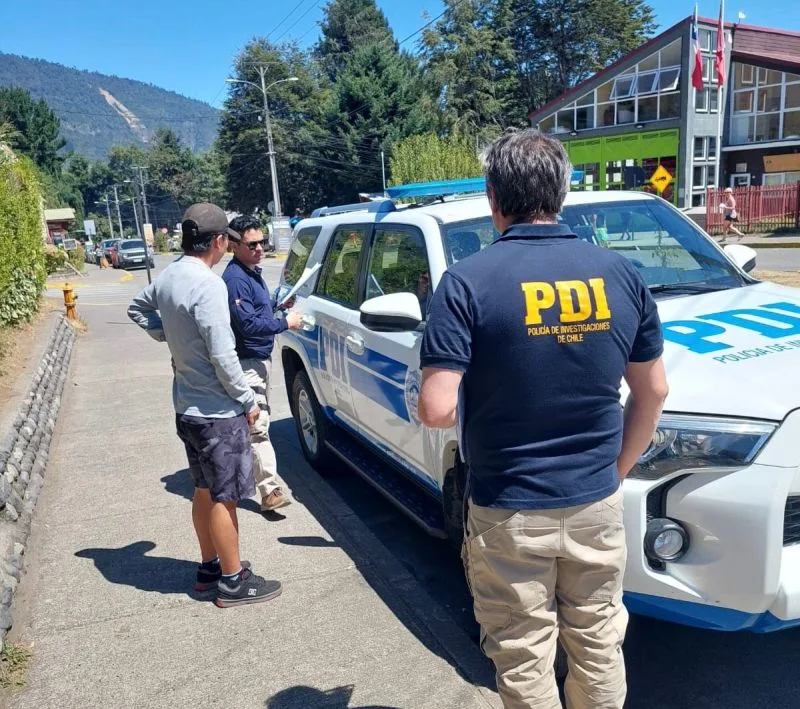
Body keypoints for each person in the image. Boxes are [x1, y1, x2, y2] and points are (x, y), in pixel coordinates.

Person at [417, 129, 669, 709]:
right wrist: (616, 469)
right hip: (595, 498)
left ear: (492, 197)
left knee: (524, 653)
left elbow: (436, 409)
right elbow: (652, 391)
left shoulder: (466, 282)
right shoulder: (621, 273)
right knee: (599, 643)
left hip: (509, 505)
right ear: (562, 191)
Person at [127, 202, 281, 608]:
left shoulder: (169, 275)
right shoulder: (209, 285)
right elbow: (223, 355)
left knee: (204, 489)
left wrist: (169, 335)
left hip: (187, 406)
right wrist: (247, 399)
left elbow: (136, 308)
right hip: (217, 411)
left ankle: (211, 566)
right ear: (218, 241)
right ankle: (233, 580)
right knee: (225, 497)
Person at [223, 214, 303, 512]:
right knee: (258, 425)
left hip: (260, 360)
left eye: (263, 242)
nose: (260, 248)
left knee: (255, 421)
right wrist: (285, 323)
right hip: (247, 362)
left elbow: (258, 311)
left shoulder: (251, 272)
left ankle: (244, 476)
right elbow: (248, 325)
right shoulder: (235, 280)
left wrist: (277, 306)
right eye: (252, 244)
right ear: (234, 245)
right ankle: (269, 491)